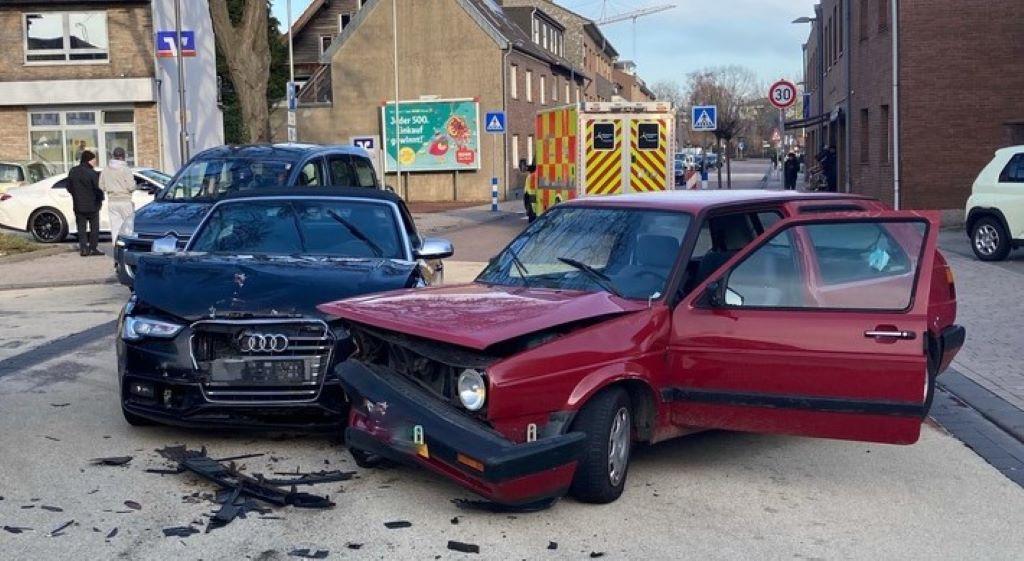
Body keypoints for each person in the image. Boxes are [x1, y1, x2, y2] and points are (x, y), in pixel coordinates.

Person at [67, 150, 104, 256]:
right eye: (94, 160)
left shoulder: (73, 171)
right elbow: (98, 189)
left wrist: (75, 195)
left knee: (81, 228)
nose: (95, 162)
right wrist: (100, 200)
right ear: (89, 160)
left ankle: (83, 248)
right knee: (94, 228)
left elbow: (69, 186)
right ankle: (93, 248)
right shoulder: (92, 173)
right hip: (92, 205)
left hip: (78, 204)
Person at [99, 147, 135, 243]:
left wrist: (110, 189)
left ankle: (116, 247)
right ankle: (127, 246)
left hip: (112, 200)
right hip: (125, 200)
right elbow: (131, 186)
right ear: (123, 156)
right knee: (128, 226)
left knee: (115, 227)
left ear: (113, 156)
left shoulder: (106, 169)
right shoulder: (125, 169)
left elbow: (101, 185)